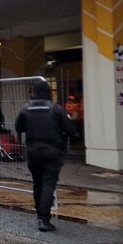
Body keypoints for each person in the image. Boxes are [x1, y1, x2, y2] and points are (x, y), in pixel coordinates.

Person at [14, 81, 75, 232]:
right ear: (49, 92)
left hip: (33, 151)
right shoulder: (55, 108)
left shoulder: (26, 108)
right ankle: (44, 218)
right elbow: (70, 129)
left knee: (37, 183)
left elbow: (18, 127)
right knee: (49, 183)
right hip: (52, 150)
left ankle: (39, 215)